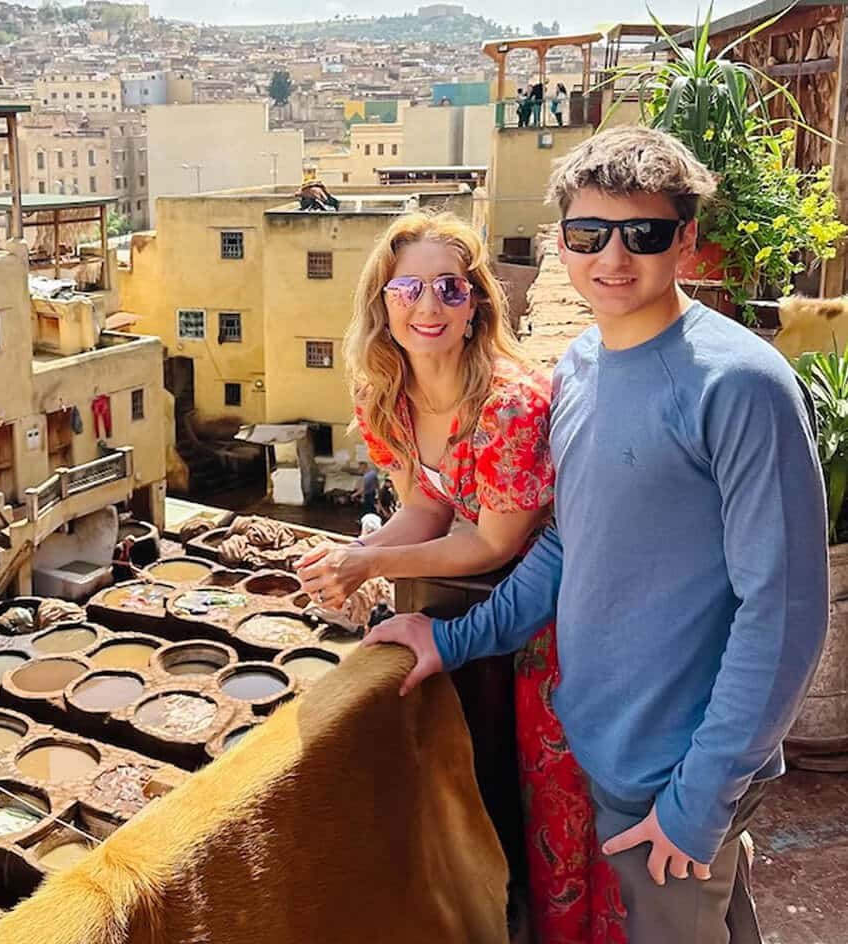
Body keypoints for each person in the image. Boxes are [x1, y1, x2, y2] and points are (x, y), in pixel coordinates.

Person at [366, 127, 829, 944]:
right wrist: (453, 639)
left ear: (686, 240)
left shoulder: (743, 386)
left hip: (680, 767)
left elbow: (786, 611)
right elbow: (566, 545)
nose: (614, 258)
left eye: (644, 233)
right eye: (589, 235)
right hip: (611, 747)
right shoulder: (579, 366)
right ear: (563, 244)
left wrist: (698, 800)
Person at [293, 210, 622, 943]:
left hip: (546, 624)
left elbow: (492, 540)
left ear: (476, 303)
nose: (428, 306)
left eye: (449, 287)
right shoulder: (389, 394)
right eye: (407, 288)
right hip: (477, 619)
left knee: (551, 804)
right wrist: (353, 562)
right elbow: (429, 505)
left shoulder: (509, 402)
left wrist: (369, 560)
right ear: (382, 303)